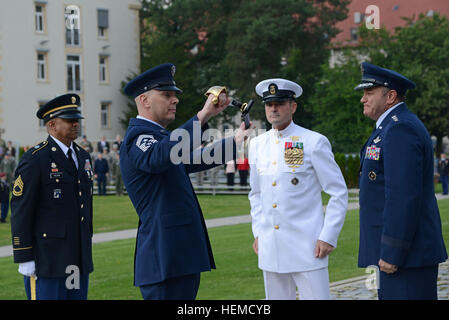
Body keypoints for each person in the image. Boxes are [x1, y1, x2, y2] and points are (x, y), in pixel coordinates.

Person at [120, 63, 251, 300]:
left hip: (178, 255)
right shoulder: (138, 138)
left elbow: (194, 159)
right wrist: (203, 115)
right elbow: (161, 155)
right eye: (166, 95)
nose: (175, 100)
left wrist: (236, 140)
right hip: (165, 259)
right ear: (145, 100)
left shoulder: (159, 138)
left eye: (174, 95)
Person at [248, 78, 348, 300]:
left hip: (308, 247)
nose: (273, 108)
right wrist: (258, 232)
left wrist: (328, 236)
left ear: (292, 107)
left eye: (280, 103)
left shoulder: (313, 142)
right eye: (269, 104)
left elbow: (338, 192)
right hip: (270, 248)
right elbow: (256, 194)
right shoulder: (257, 145)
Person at [355, 62, 448, 300]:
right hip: (400, 253)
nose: (363, 99)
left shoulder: (400, 128)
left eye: (369, 92)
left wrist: (392, 252)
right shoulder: (388, 127)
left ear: (391, 96)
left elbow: (403, 196)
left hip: (406, 256)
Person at [10, 93, 94, 300]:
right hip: (47, 260)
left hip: (77, 258)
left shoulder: (83, 156)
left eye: (77, 120)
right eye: (69, 120)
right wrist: (24, 255)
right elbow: (21, 208)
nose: (76, 124)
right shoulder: (36, 159)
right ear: (52, 125)